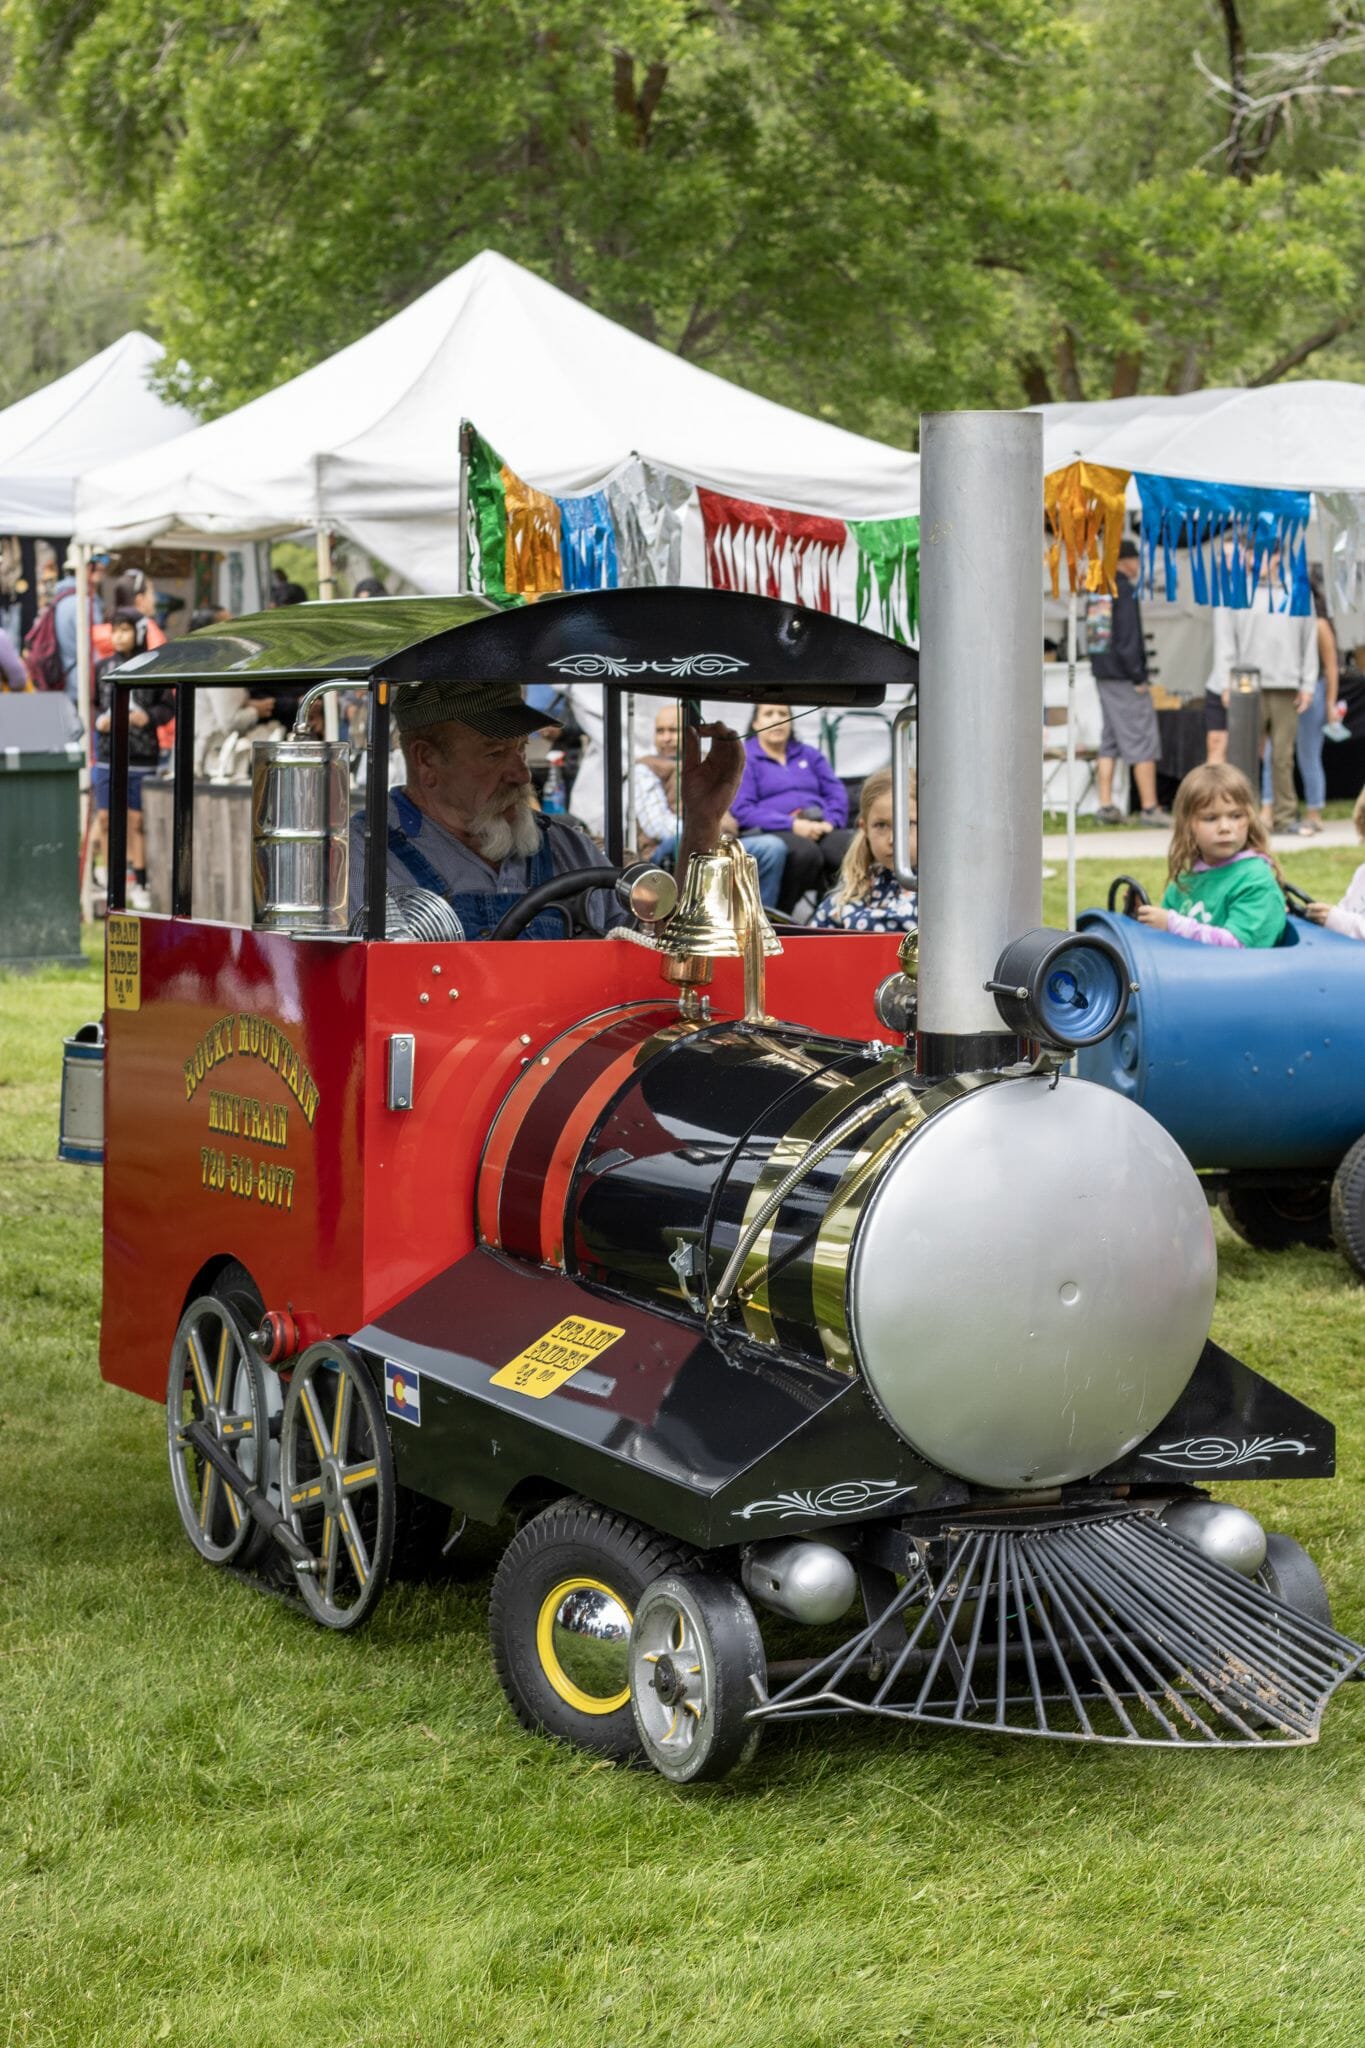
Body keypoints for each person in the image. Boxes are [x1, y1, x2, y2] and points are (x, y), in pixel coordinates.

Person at [347, 678, 741, 937]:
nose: (521, 774)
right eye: (496, 753)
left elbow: (657, 950)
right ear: (426, 762)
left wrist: (702, 821)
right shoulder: (362, 857)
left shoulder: (565, 847)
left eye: (521, 748)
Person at [1206, 547, 1316, 831]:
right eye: (1252, 555)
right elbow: (1226, 641)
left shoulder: (1298, 590)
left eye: (1261, 554)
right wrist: (1226, 683)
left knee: (1282, 755)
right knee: (1242, 757)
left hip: (1285, 683)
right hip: (1247, 685)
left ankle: (1285, 816)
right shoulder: (1237, 592)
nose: (1254, 561)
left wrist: (1307, 683)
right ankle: (1244, 818)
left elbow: (1310, 638)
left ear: (1278, 556)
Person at [633, 703, 786, 907]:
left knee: (773, 848)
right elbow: (658, 827)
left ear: (690, 735)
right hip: (666, 847)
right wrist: (707, 822)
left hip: (717, 834)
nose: (666, 738)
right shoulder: (646, 767)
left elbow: (734, 811)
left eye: (673, 730)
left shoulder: (709, 759)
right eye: (660, 731)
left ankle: (758, 920)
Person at [1135, 763, 1287, 949]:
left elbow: (1240, 948)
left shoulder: (1255, 880)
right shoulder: (1185, 881)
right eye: (1210, 818)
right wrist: (1142, 917)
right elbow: (1166, 945)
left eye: (1236, 816)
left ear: (1250, 819)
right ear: (1188, 825)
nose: (1225, 827)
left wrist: (1173, 925)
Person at [731, 702, 852, 915]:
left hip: (821, 825)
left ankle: (831, 916)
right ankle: (780, 918)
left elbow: (837, 792)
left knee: (849, 847)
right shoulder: (745, 757)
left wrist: (830, 821)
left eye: (783, 713)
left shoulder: (809, 754)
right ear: (755, 722)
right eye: (769, 714)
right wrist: (793, 824)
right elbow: (742, 809)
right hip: (775, 830)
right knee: (806, 854)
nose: (778, 719)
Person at [91, 610, 175, 907]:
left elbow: (168, 707)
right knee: (105, 816)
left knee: (137, 820)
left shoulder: (154, 667)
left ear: (138, 632)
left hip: (142, 755)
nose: (119, 636)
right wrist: (99, 721)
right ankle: (112, 879)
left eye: (125, 630)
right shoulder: (102, 667)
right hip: (106, 754)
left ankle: (140, 880)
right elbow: (92, 704)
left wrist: (147, 718)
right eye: (115, 630)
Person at [1090, 539, 1171, 827]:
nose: (1138, 566)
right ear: (1124, 561)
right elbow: (1128, 639)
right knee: (1143, 738)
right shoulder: (1123, 590)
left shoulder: (1097, 589)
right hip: (1125, 677)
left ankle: (1105, 804)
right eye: (1135, 559)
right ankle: (1150, 808)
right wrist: (1139, 676)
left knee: (1109, 740)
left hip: (1102, 673)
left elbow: (1095, 638)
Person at [1265, 564, 1346, 837]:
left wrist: (1330, 703)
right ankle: (1270, 807)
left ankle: (1314, 811)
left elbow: (1332, 666)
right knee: (1274, 751)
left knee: (1307, 754)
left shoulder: (1319, 623)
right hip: (1288, 686)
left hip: (1315, 689)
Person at [811, 768, 917, 932]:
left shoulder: (944, 889)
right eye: (881, 825)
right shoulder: (852, 889)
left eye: (907, 824)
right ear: (865, 828)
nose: (893, 840)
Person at [1305, 785, 1365, 939]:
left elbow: (1343, 921)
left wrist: (1338, 920)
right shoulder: (1362, 873)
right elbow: (1344, 912)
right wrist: (1321, 915)